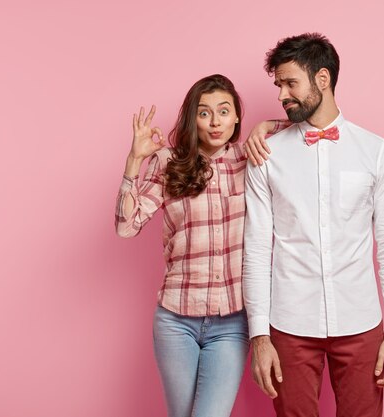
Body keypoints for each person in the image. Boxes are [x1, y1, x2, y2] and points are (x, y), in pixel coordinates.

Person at [243, 33, 384, 416]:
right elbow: (255, 249)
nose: (283, 95)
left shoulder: (376, 152)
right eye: (279, 86)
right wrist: (260, 336)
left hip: (361, 321)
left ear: (322, 79)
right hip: (289, 324)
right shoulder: (266, 155)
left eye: (290, 83)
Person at [114, 74, 285, 417]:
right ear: (193, 118)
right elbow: (126, 226)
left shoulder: (250, 158)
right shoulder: (168, 163)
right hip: (175, 319)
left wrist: (265, 125)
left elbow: (304, 128)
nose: (215, 121)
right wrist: (134, 161)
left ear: (237, 116)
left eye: (224, 111)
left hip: (232, 322)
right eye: (204, 113)